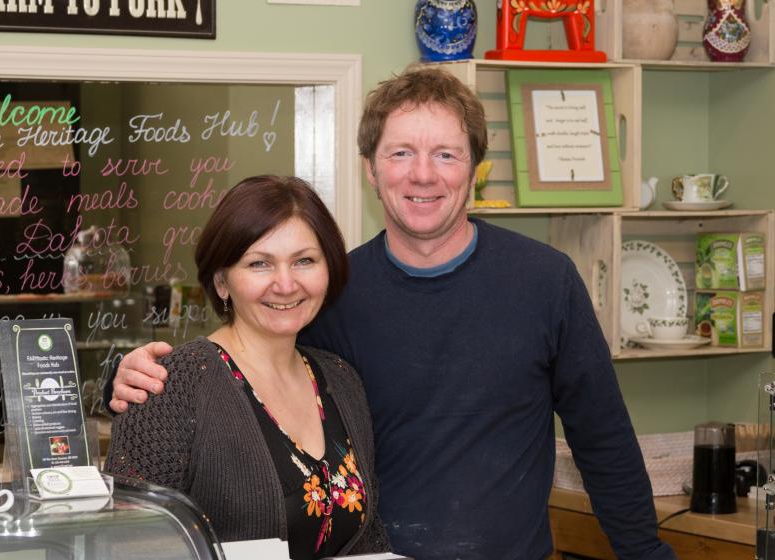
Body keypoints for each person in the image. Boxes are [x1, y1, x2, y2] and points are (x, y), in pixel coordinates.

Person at [110, 68, 675, 560]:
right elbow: (245, 359)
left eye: (445, 154)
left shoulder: (546, 280)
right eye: (401, 153)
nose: (422, 175)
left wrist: (646, 554)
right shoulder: (333, 294)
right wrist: (138, 376)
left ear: (476, 167)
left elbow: (604, 440)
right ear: (370, 169)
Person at [104, 175, 390, 559]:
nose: (285, 284)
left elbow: (367, 538)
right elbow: (126, 546)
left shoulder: (340, 379)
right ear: (222, 281)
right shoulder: (169, 385)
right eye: (259, 264)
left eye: (304, 260)